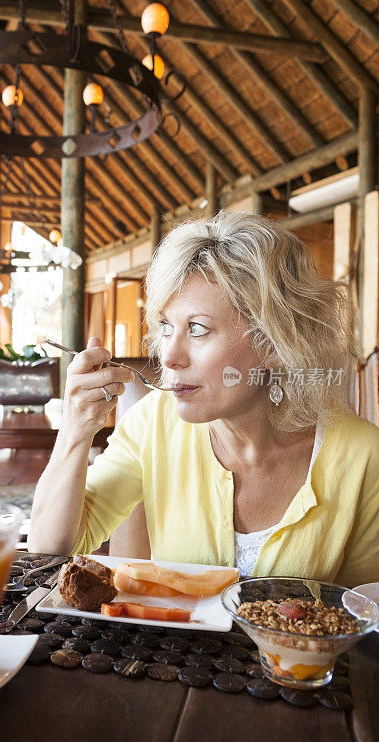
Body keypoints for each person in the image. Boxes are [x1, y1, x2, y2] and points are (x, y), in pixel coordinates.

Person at [29, 211, 379, 587]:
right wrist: (74, 432)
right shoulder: (152, 424)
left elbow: (363, 612)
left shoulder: (362, 456)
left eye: (196, 329)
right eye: (166, 326)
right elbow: (49, 551)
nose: (168, 357)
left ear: (275, 341)